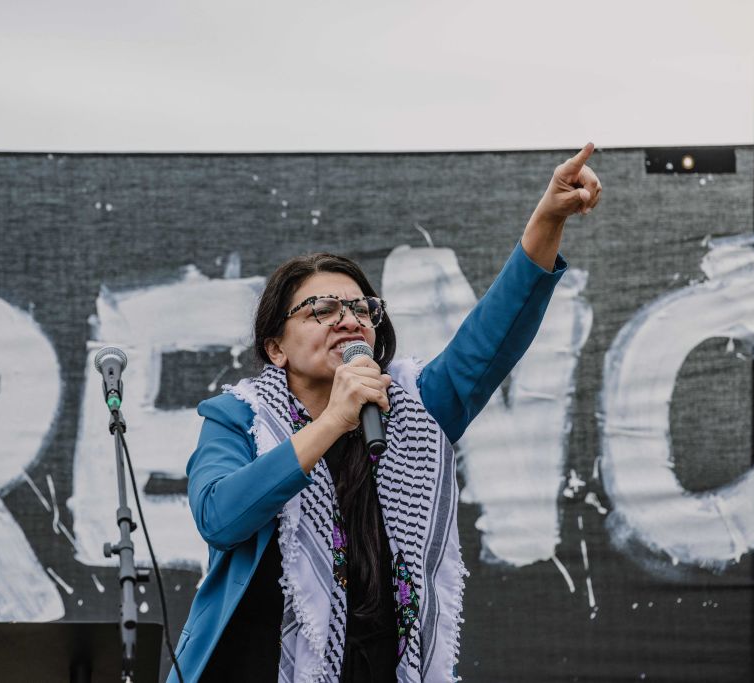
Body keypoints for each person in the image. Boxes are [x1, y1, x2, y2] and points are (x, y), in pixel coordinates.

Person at [168, 144, 603, 682]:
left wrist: (548, 217)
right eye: (320, 311)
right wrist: (332, 422)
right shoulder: (237, 419)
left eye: (360, 309)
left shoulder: (416, 406)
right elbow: (220, 517)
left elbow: (494, 333)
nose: (348, 320)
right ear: (276, 348)